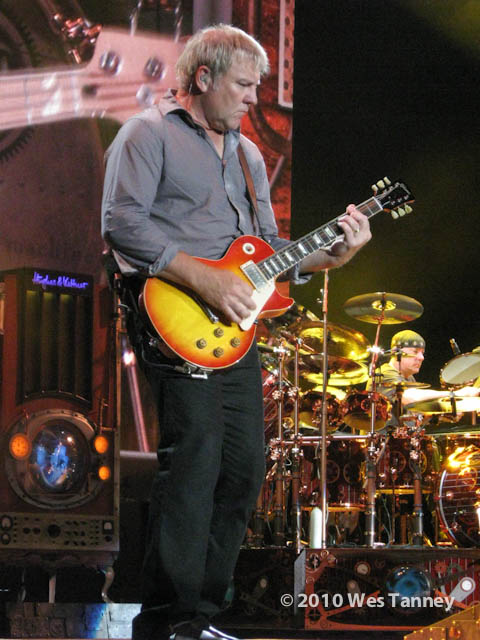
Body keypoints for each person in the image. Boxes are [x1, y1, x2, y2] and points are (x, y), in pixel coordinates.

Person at [101, 24, 371, 640]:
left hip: (234, 330)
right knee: (195, 458)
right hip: (173, 316)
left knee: (245, 467)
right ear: (204, 77)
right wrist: (206, 280)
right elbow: (121, 224)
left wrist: (333, 254)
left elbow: (267, 250)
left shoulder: (249, 156)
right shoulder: (147, 134)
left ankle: (201, 615)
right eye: (245, 85)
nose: (254, 98)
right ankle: (167, 620)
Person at [371, 330, 479, 411]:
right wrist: (454, 394)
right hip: (385, 435)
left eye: (422, 353)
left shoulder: (409, 378)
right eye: (415, 352)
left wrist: (440, 416)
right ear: (396, 352)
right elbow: (407, 397)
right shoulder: (384, 373)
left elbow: (412, 415)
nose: (421, 358)